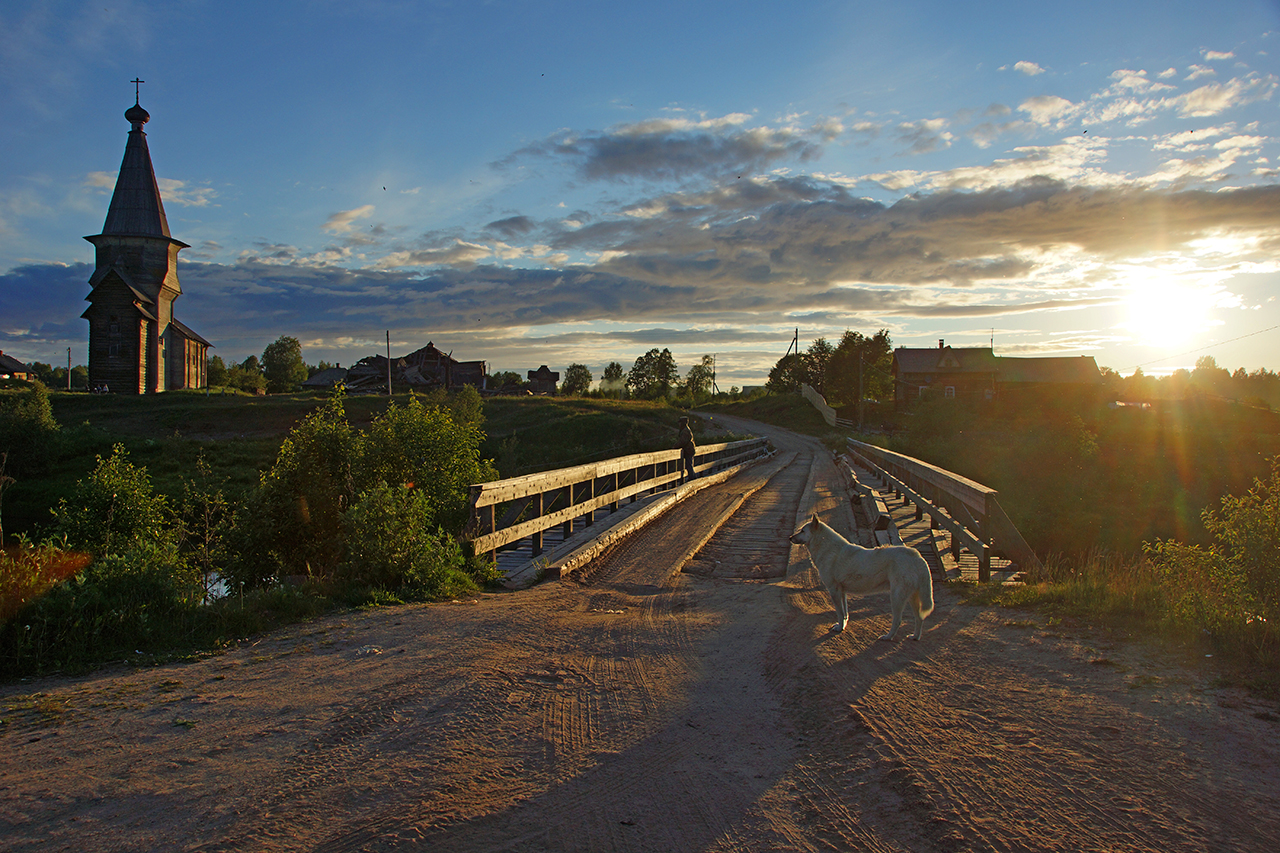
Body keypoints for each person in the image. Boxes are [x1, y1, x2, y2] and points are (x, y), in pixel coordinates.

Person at [677, 415, 696, 484]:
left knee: (689, 464)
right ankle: (692, 477)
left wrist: (675, 446)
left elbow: (683, 441)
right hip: (689, 450)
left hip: (689, 450)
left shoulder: (685, 431)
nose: (678, 424)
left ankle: (692, 477)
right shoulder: (685, 430)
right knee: (689, 464)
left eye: (679, 422)